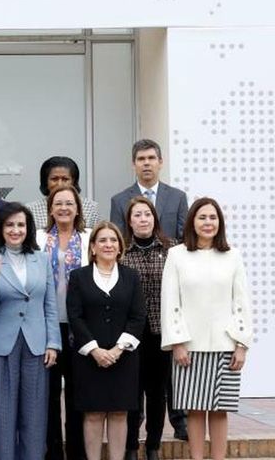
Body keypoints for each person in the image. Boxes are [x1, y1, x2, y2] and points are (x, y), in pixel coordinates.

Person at [160, 197, 252, 460]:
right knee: (195, 409)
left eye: (213, 217)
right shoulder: (176, 255)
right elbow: (171, 302)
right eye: (202, 217)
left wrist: (242, 344)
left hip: (226, 345)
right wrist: (177, 342)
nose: (208, 222)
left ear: (219, 223)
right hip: (188, 346)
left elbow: (241, 302)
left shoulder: (232, 255)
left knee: (220, 409)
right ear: (192, 221)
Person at [0, 201, 60, 460]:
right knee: (3, 415)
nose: (15, 230)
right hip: (1, 345)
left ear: (29, 228)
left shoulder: (42, 258)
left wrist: (53, 343)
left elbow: (50, 305)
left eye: (21, 225)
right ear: (0, 229)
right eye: (10, 225)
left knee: (35, 414)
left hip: (36, 344)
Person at [66, 222, 145, 460]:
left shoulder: (131, 277)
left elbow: (138, 316)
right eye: (102, 240)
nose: (108, 244)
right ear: (92, 248)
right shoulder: (78, 277)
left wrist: (119, 349)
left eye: (113, 240)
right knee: (93, 413)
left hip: (124, 357)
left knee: (120, 413)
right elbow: (75, 316)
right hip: (89, 358)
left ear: (120, 247)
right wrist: (95, 350)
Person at [34, 185, 91, 460]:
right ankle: (53, 452)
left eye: (69, 203)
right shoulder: (38, 238)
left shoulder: (89, 239)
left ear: (77, 208)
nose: (64, 208)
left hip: (80, 327)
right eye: (58, 203)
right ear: (50, 209)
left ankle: (77, 452)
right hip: (47, 327)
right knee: (49, 395)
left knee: (78, 396)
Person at [121, 196, 176, 460]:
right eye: (137, 215)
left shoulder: (171, 250)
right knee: (132, 393)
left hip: (161, 333)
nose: (143, 219)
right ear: (129, 221)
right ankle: (131, 445)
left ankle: (153, 444)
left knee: (157, 393)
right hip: (131, 334)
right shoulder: (120, 252)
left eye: (147, 215)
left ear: (155, 219)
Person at [110, 139, 188, 242]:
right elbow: (118, 240)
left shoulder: (178, 197)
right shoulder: (119, 201)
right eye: (141, 159)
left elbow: (184, 238)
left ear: (160, 162)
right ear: (133, 165)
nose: (146, 163)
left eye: (151, 158)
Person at [26, 156, 101, 231]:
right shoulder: (31, 210)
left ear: (74, 181)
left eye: (65, 179)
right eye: (54, 179)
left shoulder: (91, 208)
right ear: (45, 181)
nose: (59, 184)